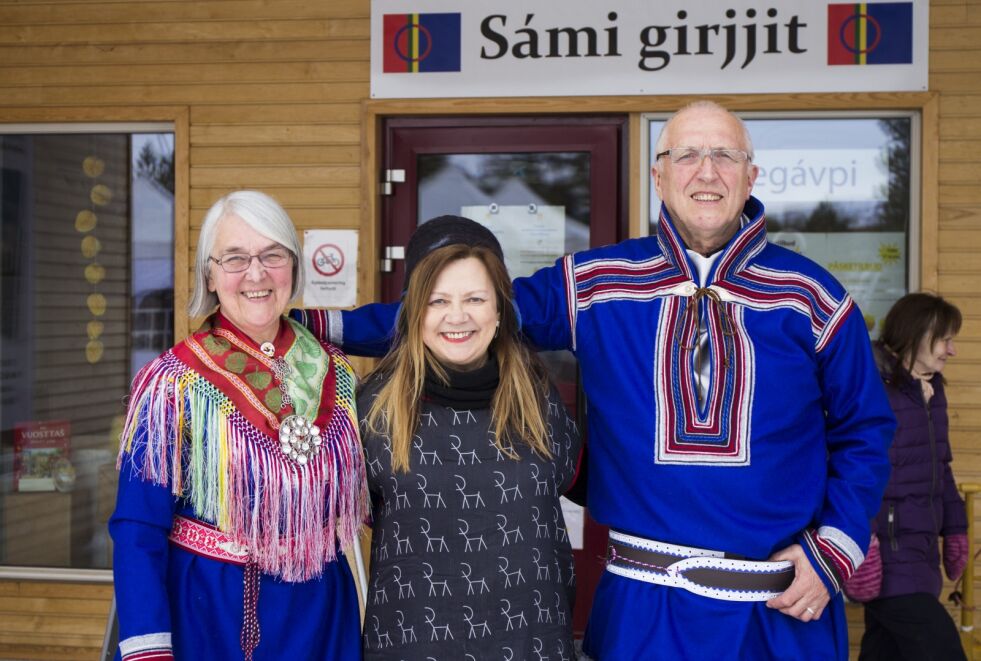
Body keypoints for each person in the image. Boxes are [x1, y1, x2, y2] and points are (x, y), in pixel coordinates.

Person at [294, 101, 896, 659]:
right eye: (686, 155)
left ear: (751, 175)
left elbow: (865, 427)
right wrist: (300, 324)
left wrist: (835, 550)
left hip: (777, 609)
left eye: (724, 156)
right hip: (643, 607)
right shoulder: (599, 282)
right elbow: (471, 311)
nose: (705, 172)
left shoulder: (812, 295)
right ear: (659, 177)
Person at [109, 190, 368, 661]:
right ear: (209, 274)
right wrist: (148, 647)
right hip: (215, 617)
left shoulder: (338, 372)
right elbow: (137, 529)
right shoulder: (172, 384)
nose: (256, 273)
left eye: (273, 255)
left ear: (293, 267)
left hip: (323, 615)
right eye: (234, 258)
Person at [357, 216, 583, 660]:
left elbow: (597, 485)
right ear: (414, 312)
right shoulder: (373, 407)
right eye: (437, 300)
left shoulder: (539, 400)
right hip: (410, 645)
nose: (457, 316)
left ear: (500, 311)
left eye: (475, 298)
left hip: (532, 644)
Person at [859, 293, 967, 661]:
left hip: (920, 553)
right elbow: (854, 467)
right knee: (943, 650)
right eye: (944, 339)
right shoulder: (873, 389)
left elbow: (942, 467)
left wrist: (956, 529)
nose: (950, 351)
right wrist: (862, 540)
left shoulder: (932, 392)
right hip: (888, 554)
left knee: (884, 651)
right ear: (917, 334)